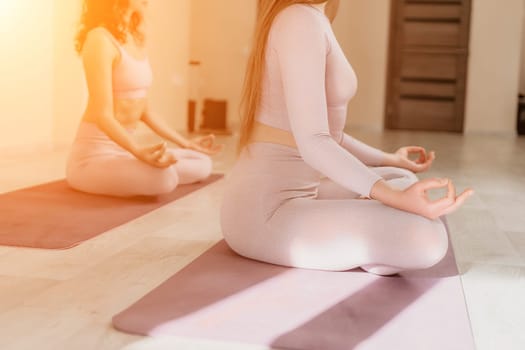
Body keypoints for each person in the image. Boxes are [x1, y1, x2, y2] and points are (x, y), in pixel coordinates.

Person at [220, 0, 473, 275]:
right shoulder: (298, 20)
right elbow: (315, 141)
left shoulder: (315, 18)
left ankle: (367, 240)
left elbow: (331, 136)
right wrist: (392, 199)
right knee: (426, 238)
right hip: (265, 212)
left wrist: (392, 159)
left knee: (400, 179)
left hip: (306, 192)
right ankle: (372, 240)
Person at [67, 0, 222, 197]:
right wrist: (137, 150)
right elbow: (102, 114)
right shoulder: (99, 39)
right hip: (93, 157)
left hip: (125, 152)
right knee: (164, 178)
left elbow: (145, 111)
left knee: (202, 163)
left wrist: (185, 143)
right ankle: (142, 171)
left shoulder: (132, 37)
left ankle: (143, 170)